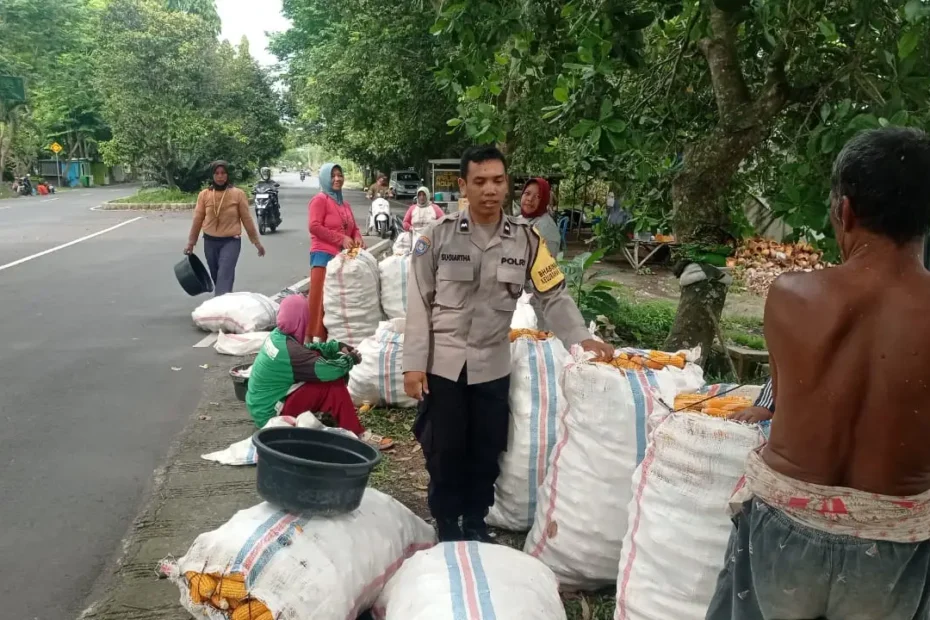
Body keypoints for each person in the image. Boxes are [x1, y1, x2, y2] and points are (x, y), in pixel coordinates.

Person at [707, 127, 930, 620]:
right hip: (893, 542)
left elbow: (782, 400)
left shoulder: (791, 295)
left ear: (845, 211)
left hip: (784, 526)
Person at [403, 145, 615, 542]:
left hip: (493, 363)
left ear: (507, 185)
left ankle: (476, 521)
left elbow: (551, 294)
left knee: (487, 449)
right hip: (443, 364)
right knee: (445, 449)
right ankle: (447, 523)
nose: (490, 189)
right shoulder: (437, 236)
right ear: (464, 186)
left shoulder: (526, 240)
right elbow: (418, 300)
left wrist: (581, 339)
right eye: (480, 181)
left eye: (498, 181)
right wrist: (413, 363)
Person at [246, 295, 394, 450]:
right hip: (272, 415)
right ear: (302, 318)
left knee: (322, 365)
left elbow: (307, 352)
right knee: (332, 382)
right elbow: (329, 371)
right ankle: (357, 434)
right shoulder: (290, 351)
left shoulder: (278, 336)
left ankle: (335, 416)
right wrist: (350, 359)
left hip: (261, 407)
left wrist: (335, 347)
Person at [185, 161, 265, 295]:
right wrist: (191, 243)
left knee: (224, 274)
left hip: (231, 242)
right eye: (216, 173)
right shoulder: (204, 195)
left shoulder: (238, 194)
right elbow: (197, 220)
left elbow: (247, 219)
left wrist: (256, 242)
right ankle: (225, 301)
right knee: (217, 276)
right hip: (210, 242)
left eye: (223, 173)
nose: (220, 176)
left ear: (228, 175)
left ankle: (220, 308)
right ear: (212, 175)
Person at [306, 162, 364, 342]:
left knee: (337, 302)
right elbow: (314, 226)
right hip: (323, 256)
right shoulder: (320, 200)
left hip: (343, 258)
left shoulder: (344, 204)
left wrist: (358, 237)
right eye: (333, 176)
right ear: (325, 178)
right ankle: (310, 341)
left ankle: (330, 341)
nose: (337, 179)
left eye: (340, 175)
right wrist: (341, 239)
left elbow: (353, 227)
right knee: (319, 302)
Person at [519, 178, 561, 330]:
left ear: (544, 200)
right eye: (527, 193)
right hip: (521, 300)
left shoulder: (546, 229)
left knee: (535, 342)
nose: (529, 199)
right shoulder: (522, 220)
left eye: (537, 197)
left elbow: (540, 274)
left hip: (535, 303)